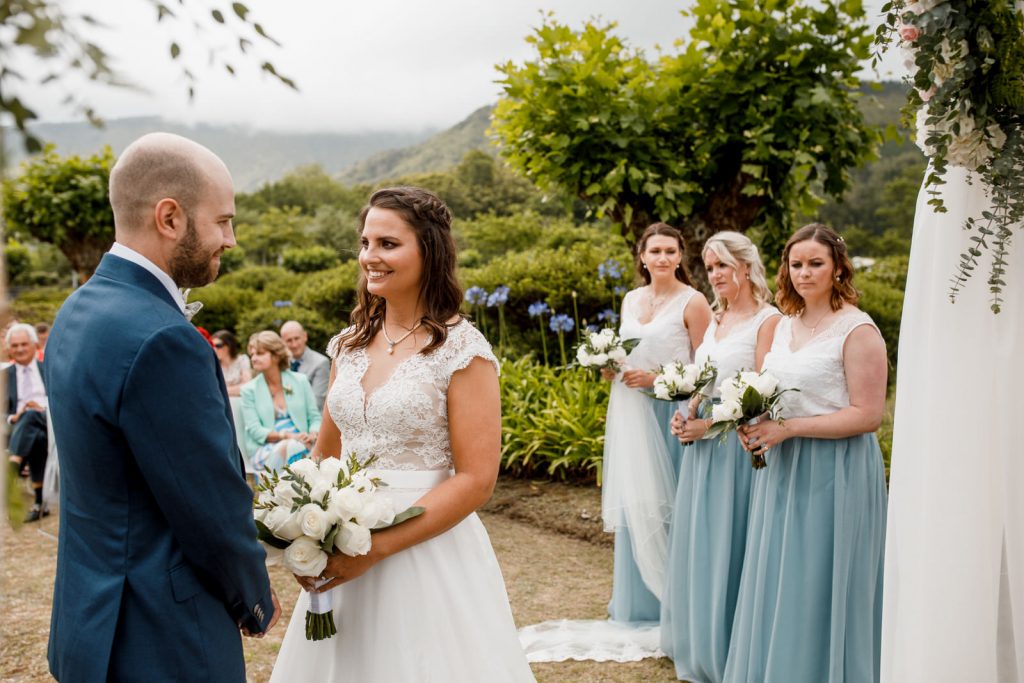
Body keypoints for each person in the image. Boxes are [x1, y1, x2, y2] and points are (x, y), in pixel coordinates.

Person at [270, 186, 534, 682]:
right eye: (366, 243)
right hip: (342, 549)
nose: (371, 256)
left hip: (424, 552)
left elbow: (477, 479)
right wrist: (308, 531)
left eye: (388, 244)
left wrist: (378, 546)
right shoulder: (347, 344)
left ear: (428, 251)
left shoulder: (462, 349)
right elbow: (324, 458)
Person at [44, 132, 280, 682]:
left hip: (89, 624)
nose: (232, 239)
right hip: (162, 639)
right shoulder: (163, 339)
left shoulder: (77, 311)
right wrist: (253, 597)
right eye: (222, 221)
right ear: (170, 218)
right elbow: (209, 502)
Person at [723, 224, 888, 683]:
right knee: (782, 578)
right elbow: (765, 388)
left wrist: (788, 428)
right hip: (781, 467)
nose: (804, 272)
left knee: (821, 581)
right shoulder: (783, 326)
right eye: (796, 264)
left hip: (836, 470)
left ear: (838, 267)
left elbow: (868, 414)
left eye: (816, 263)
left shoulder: (858, 329)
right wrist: (750, 422)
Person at [661, 231, 780, 682]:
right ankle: (701, 638)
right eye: (710, 267)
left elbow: (764, 398)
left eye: (723, 266)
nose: (715, 275)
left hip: (737, 447)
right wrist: (685, 412)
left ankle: (735, 644)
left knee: (737, 544)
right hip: (703, 450)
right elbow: (703, 377)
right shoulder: (717, 317)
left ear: (746, 267)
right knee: (704, 542)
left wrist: (707, 426)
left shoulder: (768, 321)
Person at [601, 222, 711, 625]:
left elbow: (708, 368)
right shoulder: (630, 299)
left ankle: (677, 604)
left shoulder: (694, 302)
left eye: (670, 251)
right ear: (642, 258)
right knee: (638, 503)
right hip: (633, 413)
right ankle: (638, 603)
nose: (662, 258)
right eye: (655, 251)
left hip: (673, 412)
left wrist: (656, 378)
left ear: (681, 257)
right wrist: (610, 367)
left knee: (672, 506)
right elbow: (626, 350)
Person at [240, 330, 321, 476]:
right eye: (252, 354)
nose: (253, 358)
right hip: (265, 448)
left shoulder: (300, 381)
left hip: (303, 442)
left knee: (297, 447)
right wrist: (288, 436)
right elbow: (255, 430)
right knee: (289, 447)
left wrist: (313, 435)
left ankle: (275, 494)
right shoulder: (249, 390)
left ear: (276, 355)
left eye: (260, 353)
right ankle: (280, 492)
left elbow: (315, 417)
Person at [5, 323, 50, 522]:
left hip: (49, 420)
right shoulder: (5, 377)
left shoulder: (48, 368)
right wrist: (13, 417)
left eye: (24, 344)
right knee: (34, 433)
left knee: (32, 416)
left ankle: (12, 468)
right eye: (15, 346)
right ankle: (40, 503)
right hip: (20, 427)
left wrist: (43, 409)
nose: (20, 349)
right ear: (9, 349)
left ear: (34, 345)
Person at [280, 319, 331, 409]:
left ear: (305, 336)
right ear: (282, 342)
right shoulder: (279, 364)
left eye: (297, 338)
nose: (294, 344)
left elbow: (317, 403)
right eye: (289, 340)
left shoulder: (321, 363)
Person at [212, 329, 251, 396]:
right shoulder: (214, 364)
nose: (214, 349)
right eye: (212, 346)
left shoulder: (242, 360)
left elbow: (247, 387)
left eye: (218, 346)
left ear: (229, 346)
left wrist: (221, 390)